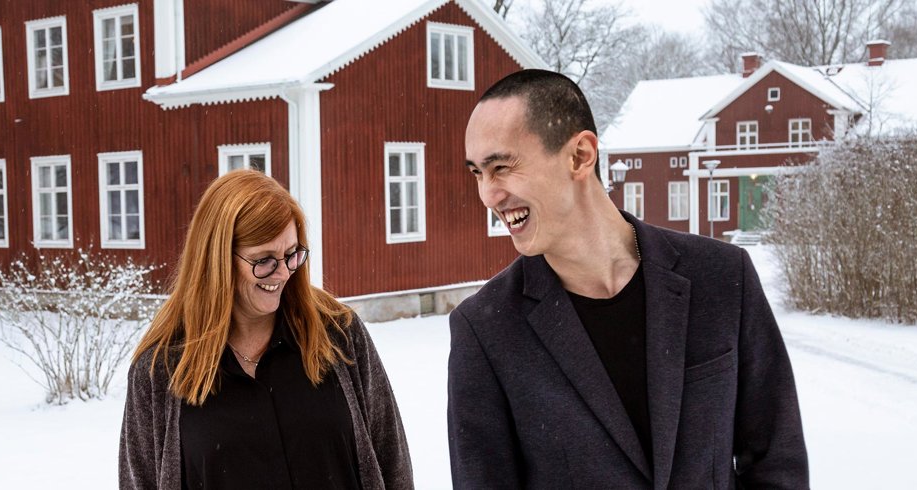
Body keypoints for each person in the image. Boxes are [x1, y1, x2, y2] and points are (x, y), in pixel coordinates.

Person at [448, 70, 808, 488]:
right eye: (477, 172)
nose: (488, 195)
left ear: (580, 156)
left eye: (502, 167)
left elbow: (777, 464)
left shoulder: (723, 278)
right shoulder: (486, 330)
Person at [119, 170, 413, 490]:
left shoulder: (339, 335)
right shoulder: (159, 371)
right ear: (216, 259)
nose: (283, 273)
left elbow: (391, 460)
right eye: (264, 260)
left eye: (291, 255)